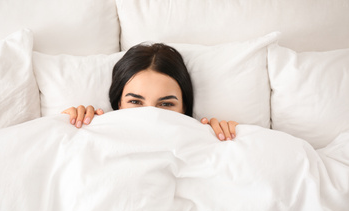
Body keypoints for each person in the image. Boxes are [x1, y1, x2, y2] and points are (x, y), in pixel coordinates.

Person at [62, 43, 238, 141]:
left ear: (184, 108)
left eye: (166, 104)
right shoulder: (93, 133)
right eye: (136, 102)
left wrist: (229, 139)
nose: (151, 114)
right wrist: (67, 125)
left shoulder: (206, 138)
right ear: (118, 104)